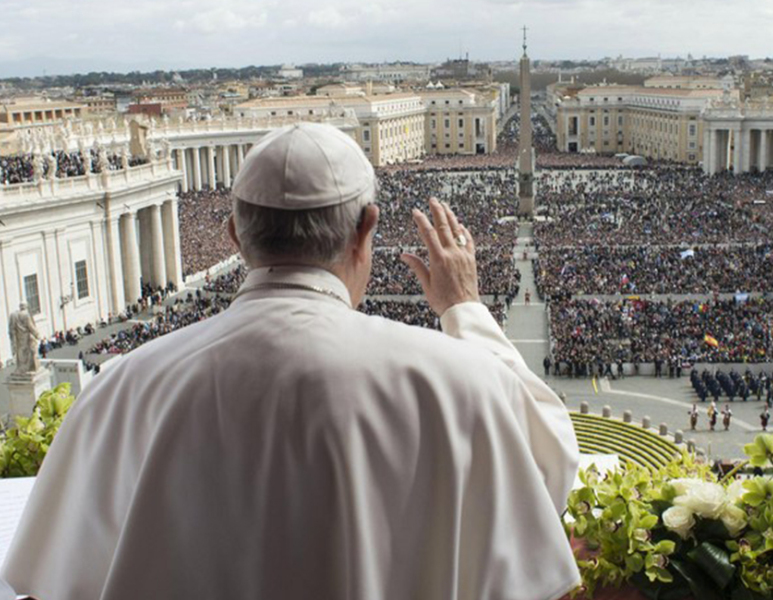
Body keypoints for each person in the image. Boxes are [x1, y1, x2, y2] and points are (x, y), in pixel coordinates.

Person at [1, 124, 581, 600]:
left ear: (234, 234)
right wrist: (465, 312)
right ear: (366, 230)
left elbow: (57, 579)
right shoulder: (459, 381)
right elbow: (550, 469)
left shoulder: (123, 388)